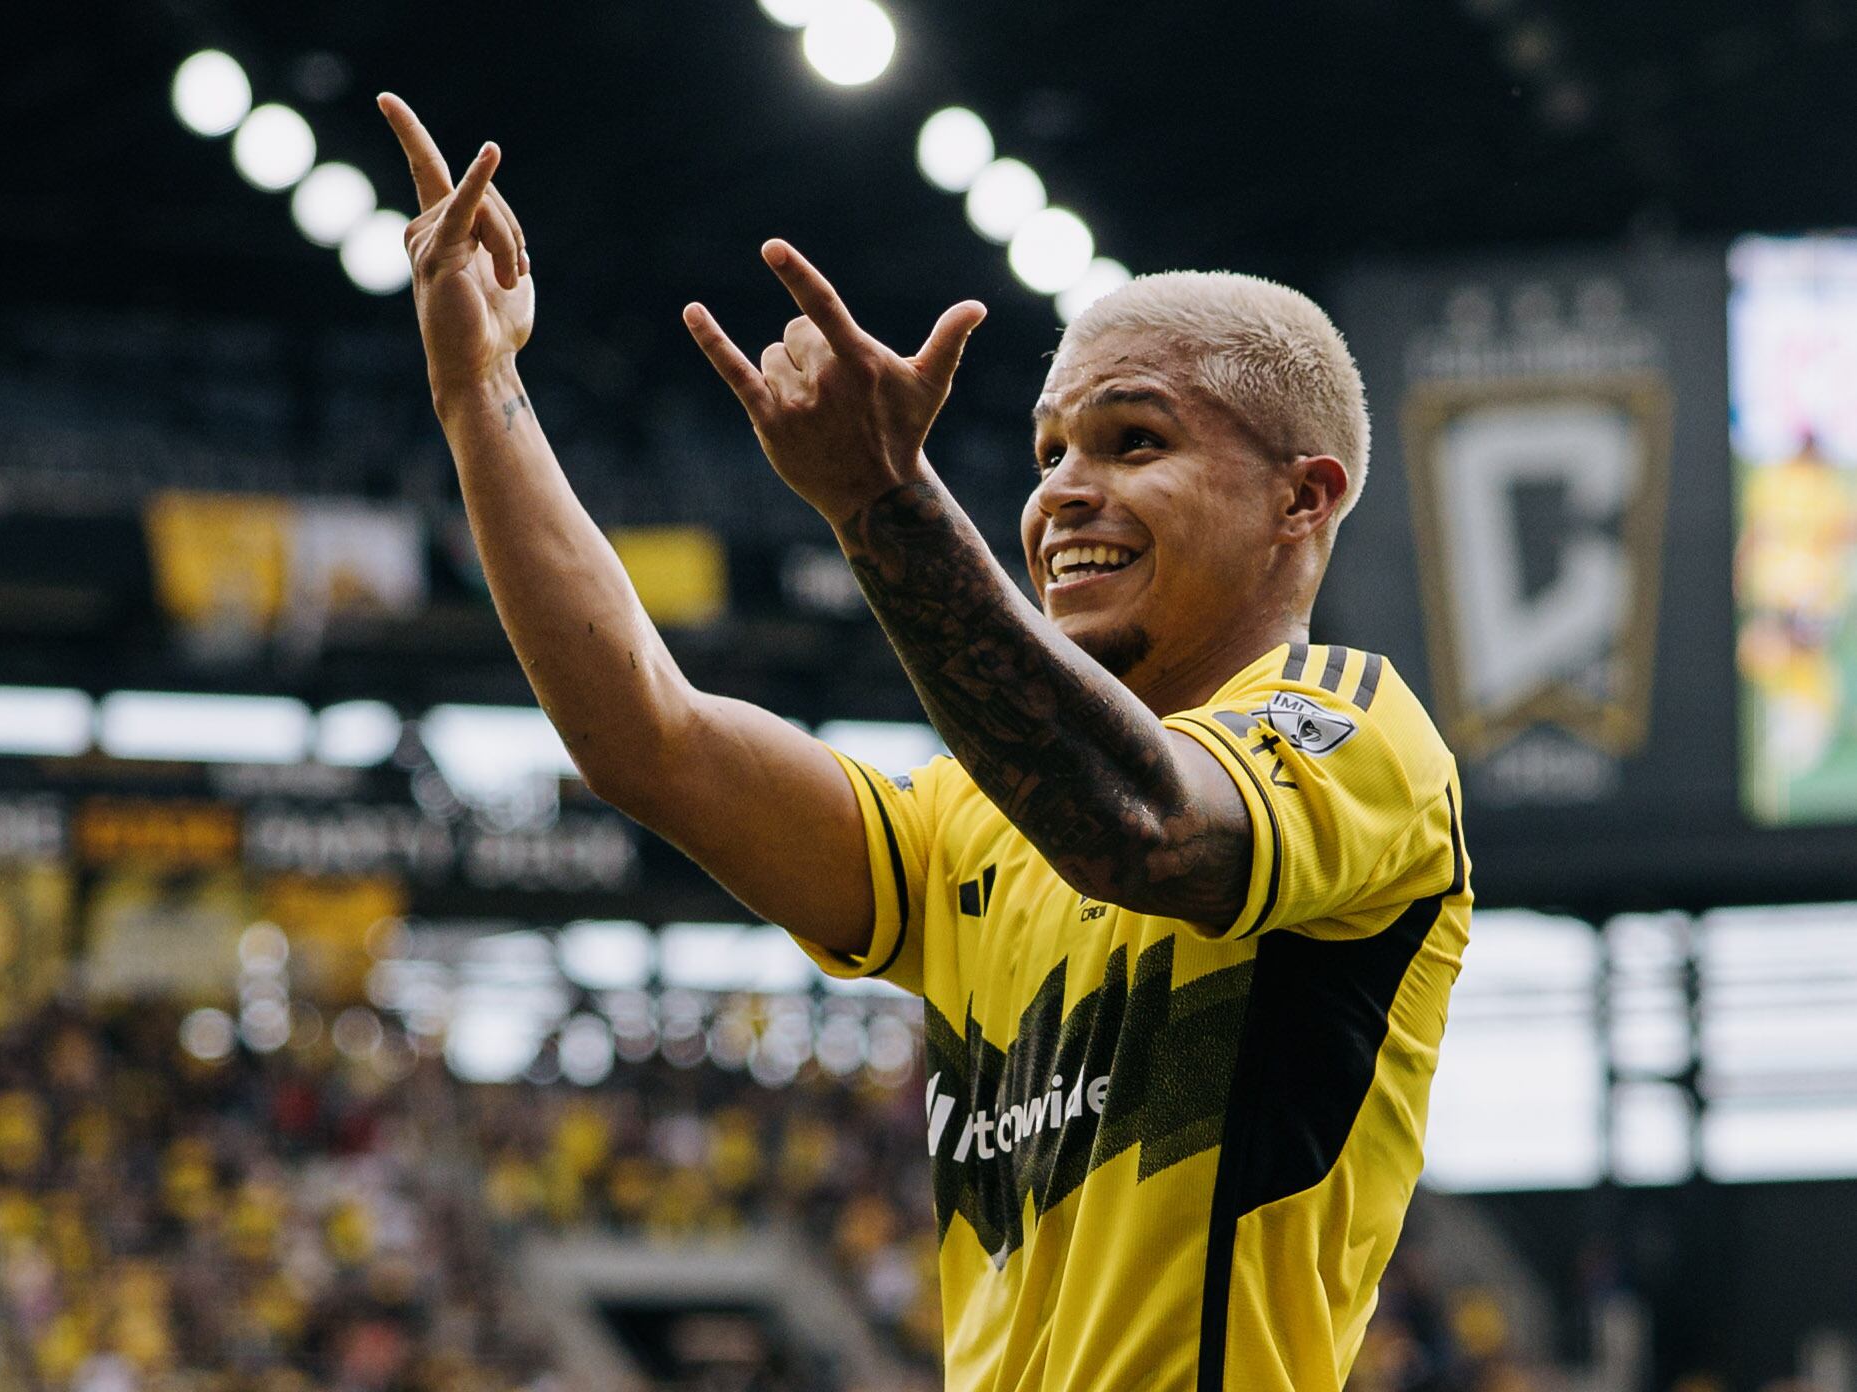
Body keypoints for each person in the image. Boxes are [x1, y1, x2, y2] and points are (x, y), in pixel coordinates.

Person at [377, 93, 1472, 1392]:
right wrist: (478, 391)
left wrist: (880, 502)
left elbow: (1140, 827)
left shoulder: (1354, 732)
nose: (1064, 492)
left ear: (1302, 498)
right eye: (1047, 452)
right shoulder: (971, 822)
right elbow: (648, 738)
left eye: (1134, 442)